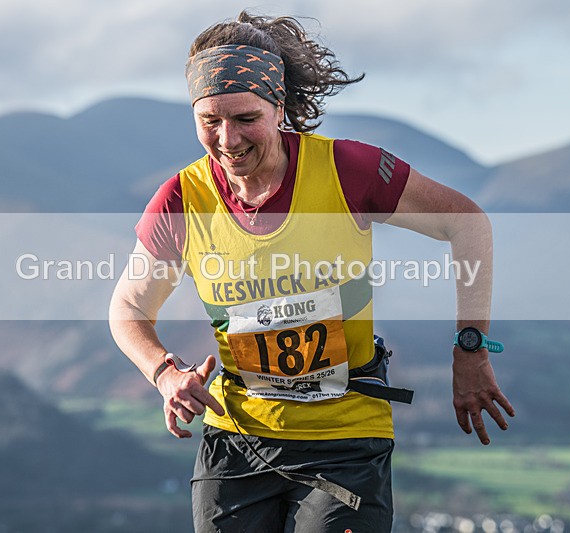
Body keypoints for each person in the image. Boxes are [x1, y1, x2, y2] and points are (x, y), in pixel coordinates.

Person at [109, 10, 514, 533]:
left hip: (344, 438)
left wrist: (470, 347)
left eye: (246, 118)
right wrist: (164, 373)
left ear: (279, 108)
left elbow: (467, 224)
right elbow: (129, 308)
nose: (228, 140)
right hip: (237, 439)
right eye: (210, 121)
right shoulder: (182, 200)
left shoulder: (349, 170)